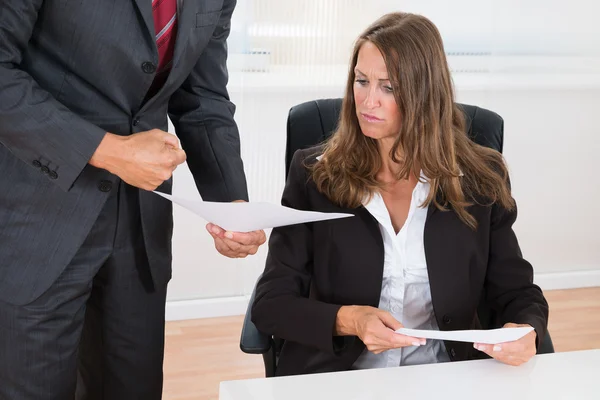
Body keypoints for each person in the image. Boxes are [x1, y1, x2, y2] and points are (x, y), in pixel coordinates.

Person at [251, 12, 548, 377]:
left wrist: (524, 330)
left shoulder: (480, 179)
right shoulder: (316, 176)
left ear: (424, 94)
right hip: (340, 377)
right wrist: (349, 320)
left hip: (445, 376)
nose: (367, 101)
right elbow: (270, 305)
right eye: (361, 81)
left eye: (388, 87)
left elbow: (518, 293)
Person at [0, 1, 265, 399]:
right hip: (39, 220)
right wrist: (107, 151)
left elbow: (202, 96)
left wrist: (230, 202)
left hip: (142, 230)